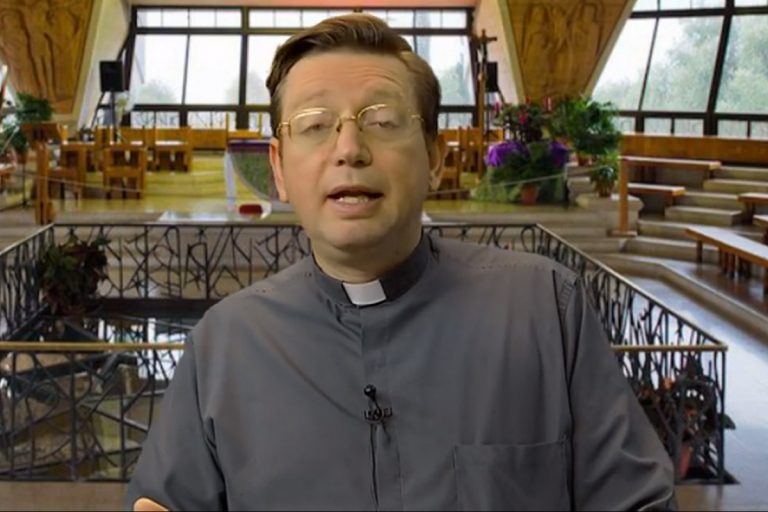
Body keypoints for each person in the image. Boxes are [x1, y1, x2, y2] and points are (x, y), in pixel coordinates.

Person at [126, 13, 675, 511]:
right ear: (279, 169)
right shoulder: (224, 344)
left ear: (435, 157)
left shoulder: (545, 311)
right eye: (314, 124)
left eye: (383, 120)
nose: (349, 149)